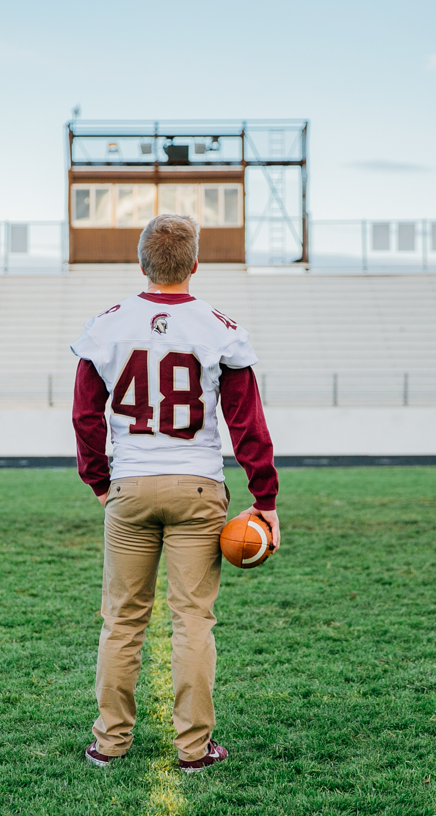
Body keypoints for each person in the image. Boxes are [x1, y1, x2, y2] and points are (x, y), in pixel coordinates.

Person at [71, 213, 280, 772]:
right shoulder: (219, 327)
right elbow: (247, 424)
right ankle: (193, 748)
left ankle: (109, 742)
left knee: (122, 620)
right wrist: (266, 500)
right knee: (192, 621)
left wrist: (98, 481)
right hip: (196, 486)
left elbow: (86, 416)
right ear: (194, 264)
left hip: (132, 484)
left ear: (141, 264)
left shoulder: (108, 325)